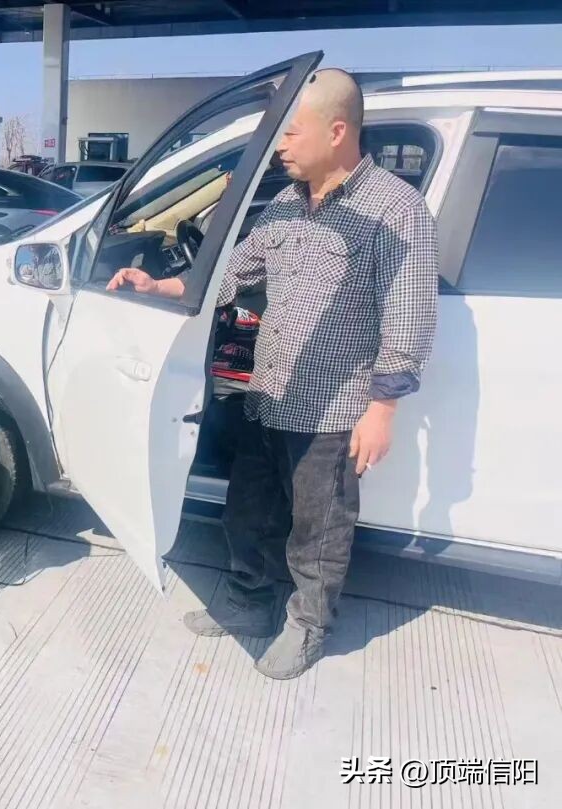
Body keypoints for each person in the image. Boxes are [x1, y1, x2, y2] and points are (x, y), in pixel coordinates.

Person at [106, 69, 439, 680]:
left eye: (291, 131)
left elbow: (410, 313)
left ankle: (308, 627)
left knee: (318, 530)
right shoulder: (286, 204)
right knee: (247, 511)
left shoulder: (395, 210)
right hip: (268, 393)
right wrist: (160, 286)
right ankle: (247, 603)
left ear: (336, 132)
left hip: (332, 409)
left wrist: (383, 408)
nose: (280, 145)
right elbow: (233, 274)